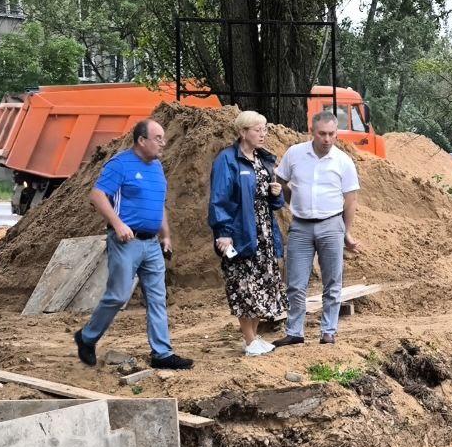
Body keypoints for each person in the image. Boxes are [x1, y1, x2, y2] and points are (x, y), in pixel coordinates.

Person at [74, 119, 193, 369]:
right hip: (126, 243)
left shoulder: (157, 167)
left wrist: (166, 236)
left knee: (158, 298)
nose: (164, 142)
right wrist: (118, 224)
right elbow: (96, 196)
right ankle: (87, 337)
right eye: (158, 138)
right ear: (141, 141)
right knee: (117, 296)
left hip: (152, 245)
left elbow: (158, 205)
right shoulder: (120, 164)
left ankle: (162, 354)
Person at [274, 111, 360, 345]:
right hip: (301, 225)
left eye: (332, 134)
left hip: (331, 223)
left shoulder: (343, 161)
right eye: (322, 133)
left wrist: (346, 231)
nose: (327, 139)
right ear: (312, 131)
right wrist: (291, 199)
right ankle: (294, 332)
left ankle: (328, 331)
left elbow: (350, 199)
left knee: (332, 281)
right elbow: (280, 181)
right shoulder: (295, 154)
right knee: (295, 281)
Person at [208, 110, 288, 356]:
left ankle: (253, 338)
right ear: (243, 132)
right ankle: (249, 339)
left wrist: (276, 193)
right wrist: (223, 232)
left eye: (265, 129)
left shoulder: (263, 159)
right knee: (244, 286)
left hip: (264, 233)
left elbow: (273, 203)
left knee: (262, 285)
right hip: (240, 232)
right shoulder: (227, 160)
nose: (263, 134)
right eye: (257, 129)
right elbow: (219, 199)